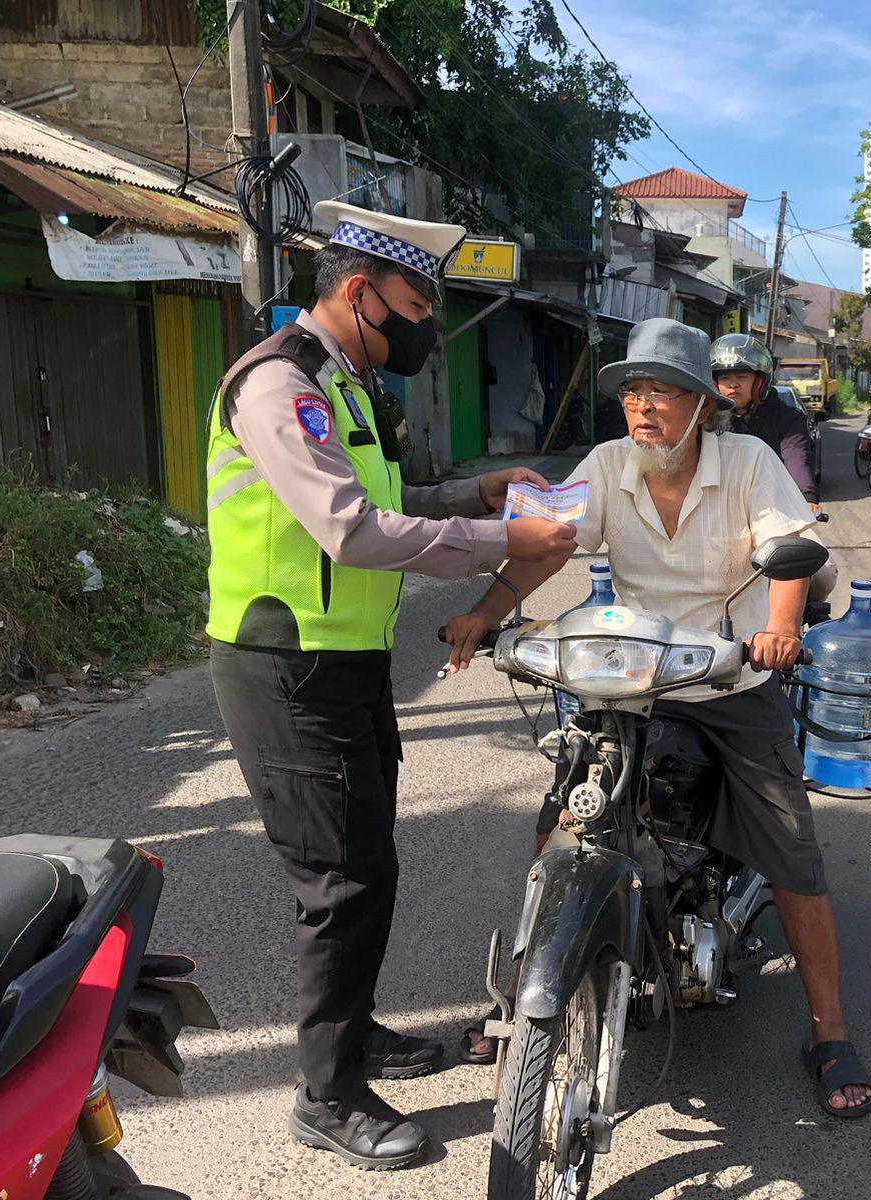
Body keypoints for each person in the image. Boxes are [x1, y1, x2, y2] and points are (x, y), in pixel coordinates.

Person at [204, 200, 578, 1170]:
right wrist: (504, 541)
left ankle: (355, 1033)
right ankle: (325, 1095)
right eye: (416, 304)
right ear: (360, 292)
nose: (424, 327)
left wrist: (475, 494)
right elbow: (352, 532)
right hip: (283, 665)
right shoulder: (279, 388)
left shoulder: (347, 387)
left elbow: (393, 504)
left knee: (371, 865)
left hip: (349, 664)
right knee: (341, 882)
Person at [445, 317, 871, 1119]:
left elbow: (792, 550)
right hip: (633, 681)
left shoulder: (747, 463)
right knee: (561, 824)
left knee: (791, 849)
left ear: (703, 406)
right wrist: (487, 608)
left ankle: (830, 1030)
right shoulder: (610, 465)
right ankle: (519, 996)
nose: (644, 408)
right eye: (633, 393)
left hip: (731, 681)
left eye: (665, 393)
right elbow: (548, 543)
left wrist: (780, 630)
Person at [709, 333, 837, 604]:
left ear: (760, 380)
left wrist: (806, 498)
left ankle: (809, 622)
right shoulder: (706, 422)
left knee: (825, 573)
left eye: (741, 377)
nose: (732, 385)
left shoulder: (787, 418)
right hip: (717, 509)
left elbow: (796, 455)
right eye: (724, 378)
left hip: (778, 509)